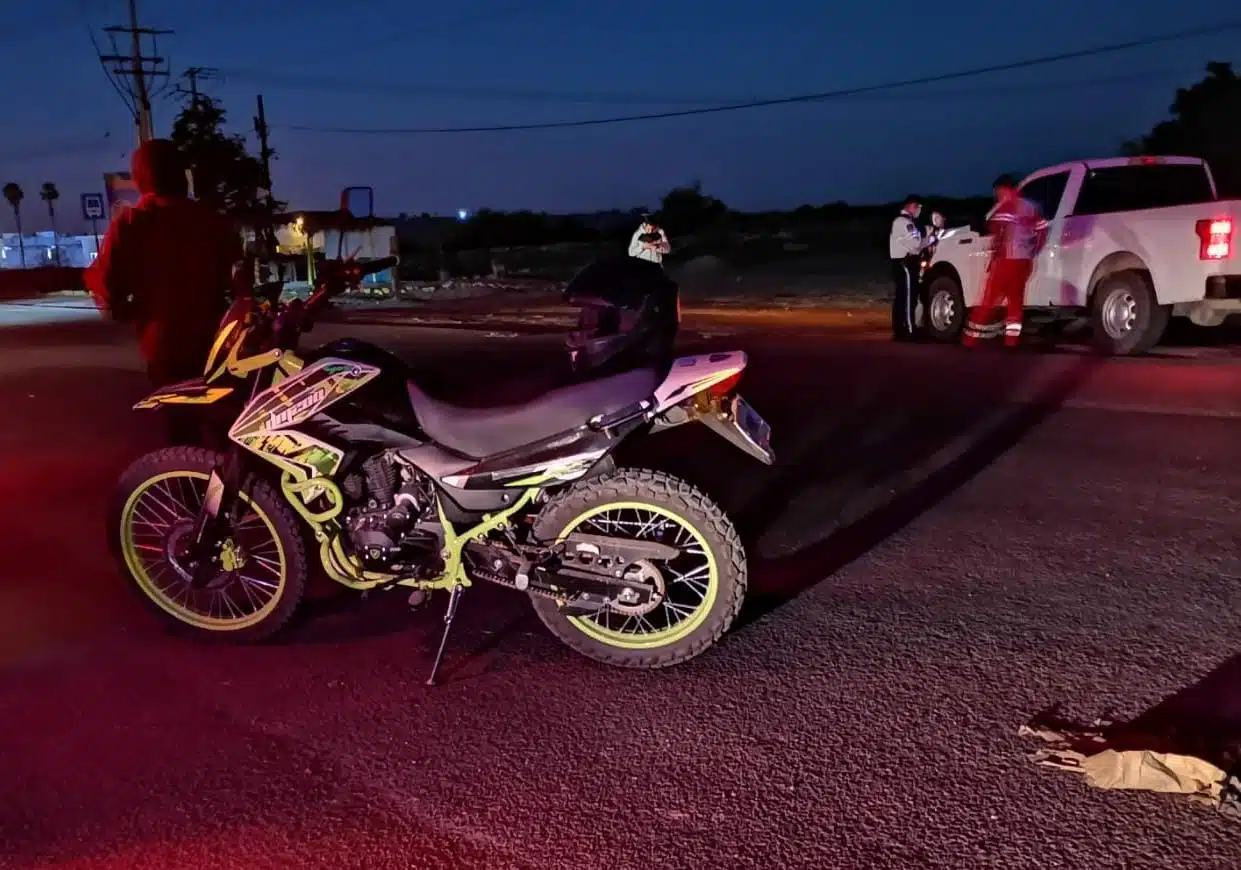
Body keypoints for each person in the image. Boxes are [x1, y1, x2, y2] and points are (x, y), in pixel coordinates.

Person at [85, 138, 242, 444]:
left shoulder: (132, 222)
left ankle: (190, 485)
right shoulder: (213, 221)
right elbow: (237, 275)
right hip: (219, 338)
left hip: (165, 343)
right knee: (226, 425)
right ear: (181, 175)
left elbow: (105, 281)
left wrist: (115, 304)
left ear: (142, 177)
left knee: (182, 433)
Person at [962, 174, 1048, 349]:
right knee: (1015, 301)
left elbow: (998, 233)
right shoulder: (1030, 207)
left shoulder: (1006, 207)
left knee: (988, 300)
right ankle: (1011, 341)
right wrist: (1034, 252)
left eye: (998, 192)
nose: (997, 195)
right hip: (1024, 261)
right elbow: (1042, 230)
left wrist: (994, 258)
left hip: (1006, 261)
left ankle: (971, 339)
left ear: (1004, 189)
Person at [888, 195, 938, 341]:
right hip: (906, 264)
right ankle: (910, 330)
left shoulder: (906, 222)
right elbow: (915, 245)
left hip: (904, 263)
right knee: (909, 297)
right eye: (917, 207)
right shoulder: (904, 222)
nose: (919, 210)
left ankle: (901, 330)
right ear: (909, 206)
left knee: (903, 297)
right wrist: (930, 239)